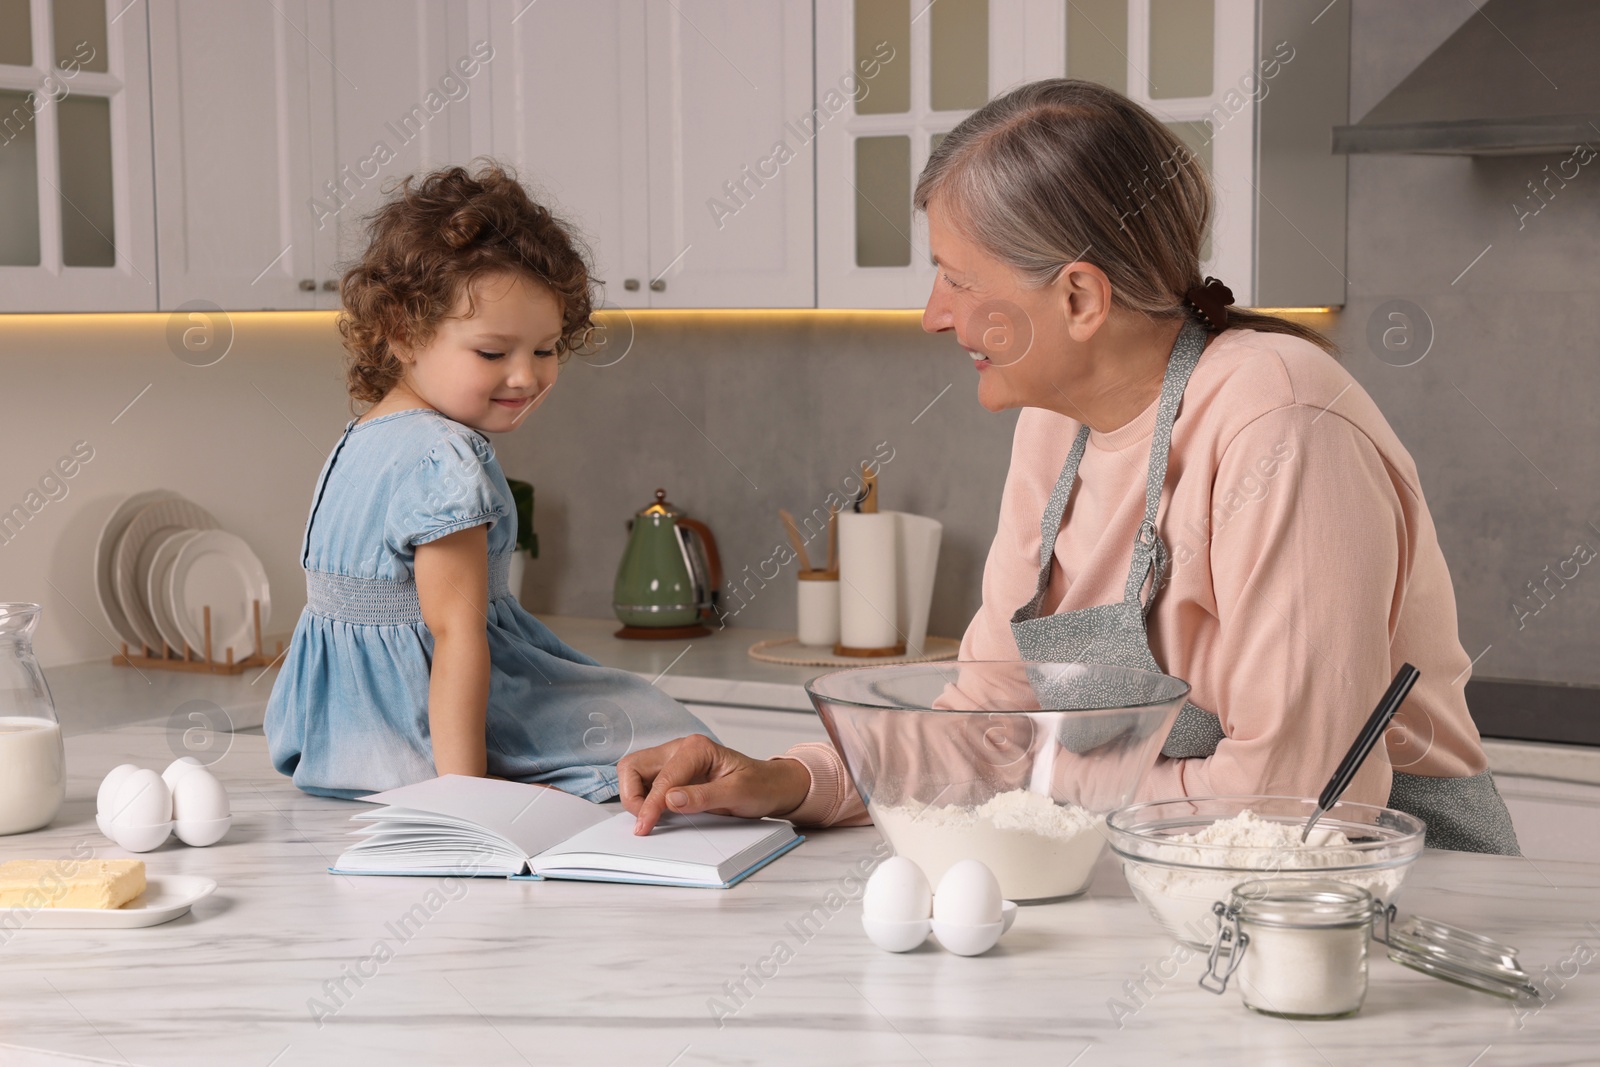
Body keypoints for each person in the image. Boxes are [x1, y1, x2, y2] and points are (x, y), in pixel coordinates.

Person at [618, 80, 1519, 855]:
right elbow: (990, 727)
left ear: (1080, 297)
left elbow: (1290, 794)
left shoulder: (1279, 422)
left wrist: (1047, 782)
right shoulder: (1059, 429)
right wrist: (785, 779)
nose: (934, 315)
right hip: (1168, 877)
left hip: (1386, 900)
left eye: (957, 280)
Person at [264, 162, 713, 799]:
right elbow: (455, 637)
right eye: (493, 352)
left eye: (546, 349)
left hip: (342, 743)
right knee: (673, 742)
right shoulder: (445, 454)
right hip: (434, 741)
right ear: (402, 334)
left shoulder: (356, 440)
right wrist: (468, 800)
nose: (526, 377)